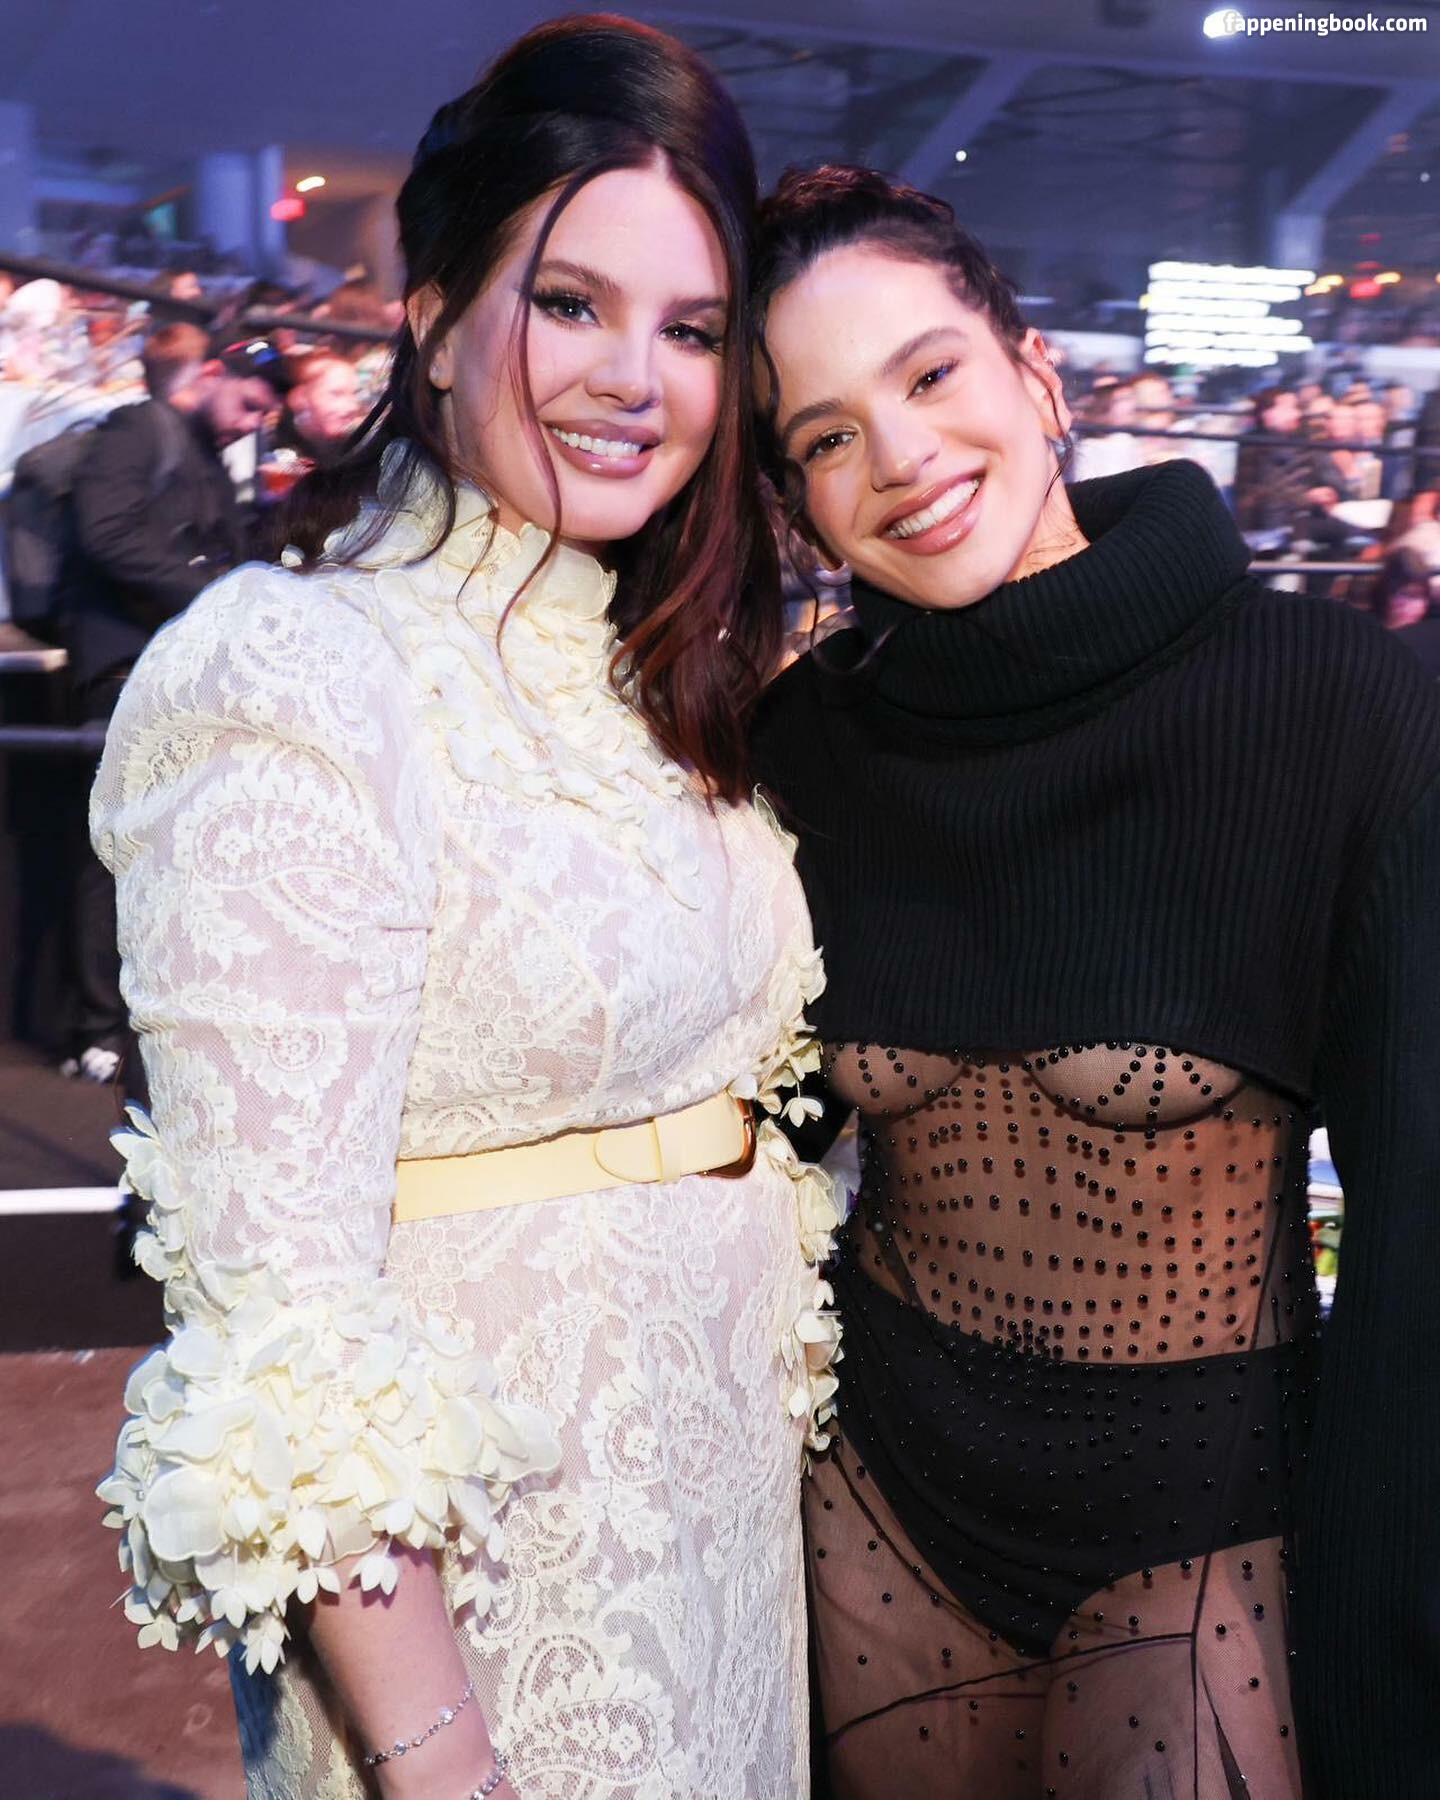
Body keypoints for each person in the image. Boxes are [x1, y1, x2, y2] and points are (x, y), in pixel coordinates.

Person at [93, 19, 839, 1799]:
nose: (635, 379)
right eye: (571, 303)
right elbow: (278, 1324)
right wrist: (442, 1762)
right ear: (430, 317)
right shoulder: (298, 672)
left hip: (720, 1581)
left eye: (693, 330)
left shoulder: (668, 682)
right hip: (487, 1639)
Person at [749, 165, 1440, 1800]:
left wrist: (1393, 1640)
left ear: (1036, 371)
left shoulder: (1336, 710)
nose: (902, 457)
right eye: (828, 436)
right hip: (877, 1513)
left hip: (1207, 1540)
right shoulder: (804, 752)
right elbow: (744, 1170)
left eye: (932, 374)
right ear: (795, 501)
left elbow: (1420, 1240)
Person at [58, 330, 288, 1082]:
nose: (251, 423)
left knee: (167, 846)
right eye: (248, 404)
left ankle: (137, 1020)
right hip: (124, 663)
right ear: (211, 373)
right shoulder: (139, 429)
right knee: (114, 847)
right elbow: (105, 533)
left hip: (178, 666)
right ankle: (97, 1026)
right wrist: (219, 592)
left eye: (264, 414)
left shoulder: (206, 457)